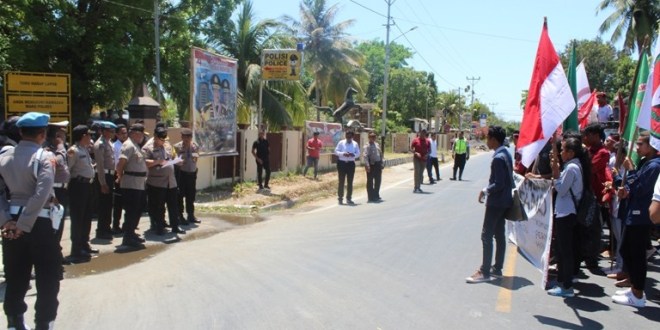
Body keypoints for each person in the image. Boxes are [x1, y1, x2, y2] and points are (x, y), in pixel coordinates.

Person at [0, 112, 62, 330]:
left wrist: (7, 221)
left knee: (15, 275)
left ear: (20, 132)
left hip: (11, 223)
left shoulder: (5, 156)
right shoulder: (44, 157)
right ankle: (43, 323)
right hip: (39, 223)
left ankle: (14, 322)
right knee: (48, 276)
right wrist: (24, 225)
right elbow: (42, 193)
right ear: (42, 134)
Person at [613, 132, 660, 308]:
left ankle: (638, 294)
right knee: (626, 250)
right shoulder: (645, 162)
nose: (637, 147)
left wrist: (631, 169)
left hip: (641, 215)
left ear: (651, 145)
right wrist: (625, 190)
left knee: (636, 254)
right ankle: (634, 287)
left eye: (641, 144)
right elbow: (634, 186)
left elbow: (642, 189)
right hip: (633, 211)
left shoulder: (655, 166)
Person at [466, 126, 512, 283]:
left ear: (494, 139)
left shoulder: (498, 158)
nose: (486, 141)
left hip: (496, 201)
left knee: (486, 235)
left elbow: (498, 183)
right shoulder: (506, 153)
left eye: (488, 138)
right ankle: (497, 268)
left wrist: (485, 190)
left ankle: (484, 271)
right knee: (499, 234)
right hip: (505, 201)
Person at [547, 137, 589, 297]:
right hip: (565, 211)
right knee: (562, 249)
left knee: (565, 251)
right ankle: (561, 280)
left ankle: (567, 286)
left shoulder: (572, 168)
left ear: (571, 153)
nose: (561, 152)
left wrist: (554, 179)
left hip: (567, 213)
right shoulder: (574, 165)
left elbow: (561, 189)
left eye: (563, 150)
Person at [143, 127, 184, 235]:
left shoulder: (167, 145)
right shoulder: (148, 148)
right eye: (161, 139)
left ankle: (175, 226)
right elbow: (144, 162)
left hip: (171, 181)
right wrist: (157, 161)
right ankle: (159, 227)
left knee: (173, 205)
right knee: (159, 206)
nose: (163, 141)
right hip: (157, 182)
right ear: (155, 137)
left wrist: (178, 161)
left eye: (164, 139)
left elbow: (172, 156)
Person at [67, 125, 97, 264]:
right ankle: (76, 249)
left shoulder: (84, 149)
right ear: (83, 136)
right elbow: (68, 171)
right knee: (78, 218)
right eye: (89, 135)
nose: (90, 137)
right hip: (78, 186)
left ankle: (84, 244)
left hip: (87, 185)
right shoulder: (73, 151)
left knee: (86, 217)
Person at [115, 123, 148, 248]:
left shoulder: (136, 146)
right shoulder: (128, 145)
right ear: (134, 133)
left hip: (138, 183)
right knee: (131, 211)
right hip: (131, 183)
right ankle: (127, 237)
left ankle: (131, 233)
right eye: (140, 134)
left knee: (137, 210)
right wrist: (120, 176)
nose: (142, 137)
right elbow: (120, 164)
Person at [44, 122, 70, 244]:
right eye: (63, 134)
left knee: (59, 222)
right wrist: (61, 147)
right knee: (54, 223)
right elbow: (57, 163)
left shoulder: (58, 148)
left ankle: (56, 249)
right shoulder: (48, 148)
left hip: (62, 189)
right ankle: (53, 250)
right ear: (57, 135)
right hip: (54, 190)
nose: (65, 137)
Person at [93, 121, 117, 240]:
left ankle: (107, 227)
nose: (112, 133)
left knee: (108, 204)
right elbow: (100, 165)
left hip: (110, 175)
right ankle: (101, 230)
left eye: (113, 131)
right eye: (110, 131)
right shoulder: (100, 144)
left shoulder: (109, 143)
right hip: (104, 175)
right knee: (103, 204)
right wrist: (102, 183)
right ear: (103, 132)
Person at [174, 128, 201, 224]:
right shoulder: (177, 147)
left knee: (191, 195)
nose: (185, 140)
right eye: (184, 138)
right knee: (180, 195)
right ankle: (180, 216)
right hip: (182, 173)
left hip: (192, 173)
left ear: (190, 138)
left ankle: (191, 215)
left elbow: (196, 158)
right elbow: (174, 160)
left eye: (188, 138)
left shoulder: (195, 146)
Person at [335, 130, 360, 205]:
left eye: (350, 136)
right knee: (341, 181)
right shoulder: (341, 142)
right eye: (347, 136)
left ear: (352, 136)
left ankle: (349, 198)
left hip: (351, 164)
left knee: (350, 182)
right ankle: (340, 198)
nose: (348, 138)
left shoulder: (355, 144)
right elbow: (336, 151)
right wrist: (343, 154)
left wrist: (353, 155)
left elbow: (358, 153)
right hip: (342, 163)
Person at [112, 124, 128, 234]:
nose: (124, 135)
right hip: (118, 175)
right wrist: (119, 176)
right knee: (118, 203)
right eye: (122, 133)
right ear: (117, 134)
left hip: (127, 176)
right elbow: (116, 164)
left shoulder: (127, 145)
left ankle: (126, 224)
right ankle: (116, 225)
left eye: (126, 133)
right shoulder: (115, 146)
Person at [363, 132, 383, 203]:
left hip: (378, 164)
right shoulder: (367, 146)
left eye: (374, 136)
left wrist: (381, 163)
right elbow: (365, 156)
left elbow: (380, 154)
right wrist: (367, 165)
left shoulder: (377, 144)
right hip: (371, 165)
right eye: (371, 136)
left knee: (378, 180)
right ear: (369, 137)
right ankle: (370, 197)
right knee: (370, 181)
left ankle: (376, 194)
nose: (373, 138)